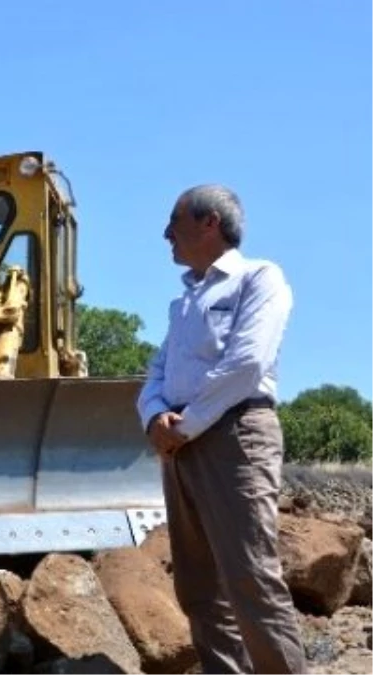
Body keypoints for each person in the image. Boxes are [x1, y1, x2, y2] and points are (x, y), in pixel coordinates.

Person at [137, 185, 307, 674]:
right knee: (198, 588)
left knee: (251, 578)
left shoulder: (259, 278)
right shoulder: (186, 300)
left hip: (234, 436)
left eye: (175, 221)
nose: (166, 233)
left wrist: (184, 425)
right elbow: (157, 370)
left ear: (209, 222)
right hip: (181, 445)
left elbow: (247, 364)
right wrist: (153, 416)